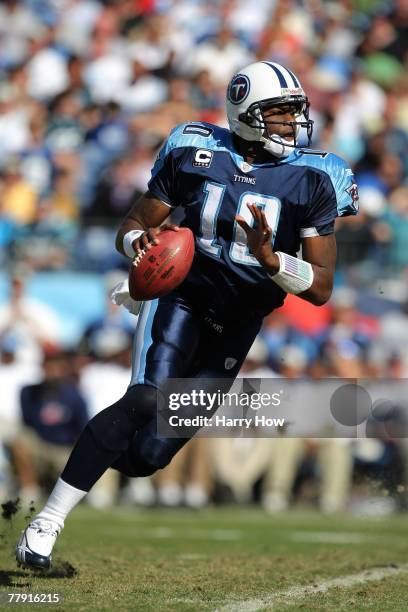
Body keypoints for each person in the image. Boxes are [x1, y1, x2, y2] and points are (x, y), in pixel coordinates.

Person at [16, 61, 358, 569]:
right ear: (245, 113)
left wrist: (272, 260)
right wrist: (140, 245)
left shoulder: (316, 175)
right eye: (279, 113)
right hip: (180, 298)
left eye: (294, 112)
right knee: (144, 399)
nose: (291, 123)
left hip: (239, 323)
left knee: (148, 457)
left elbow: (322, 287)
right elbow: (132, 225)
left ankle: (103, 453)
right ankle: (44, 527)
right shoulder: (192, 147)